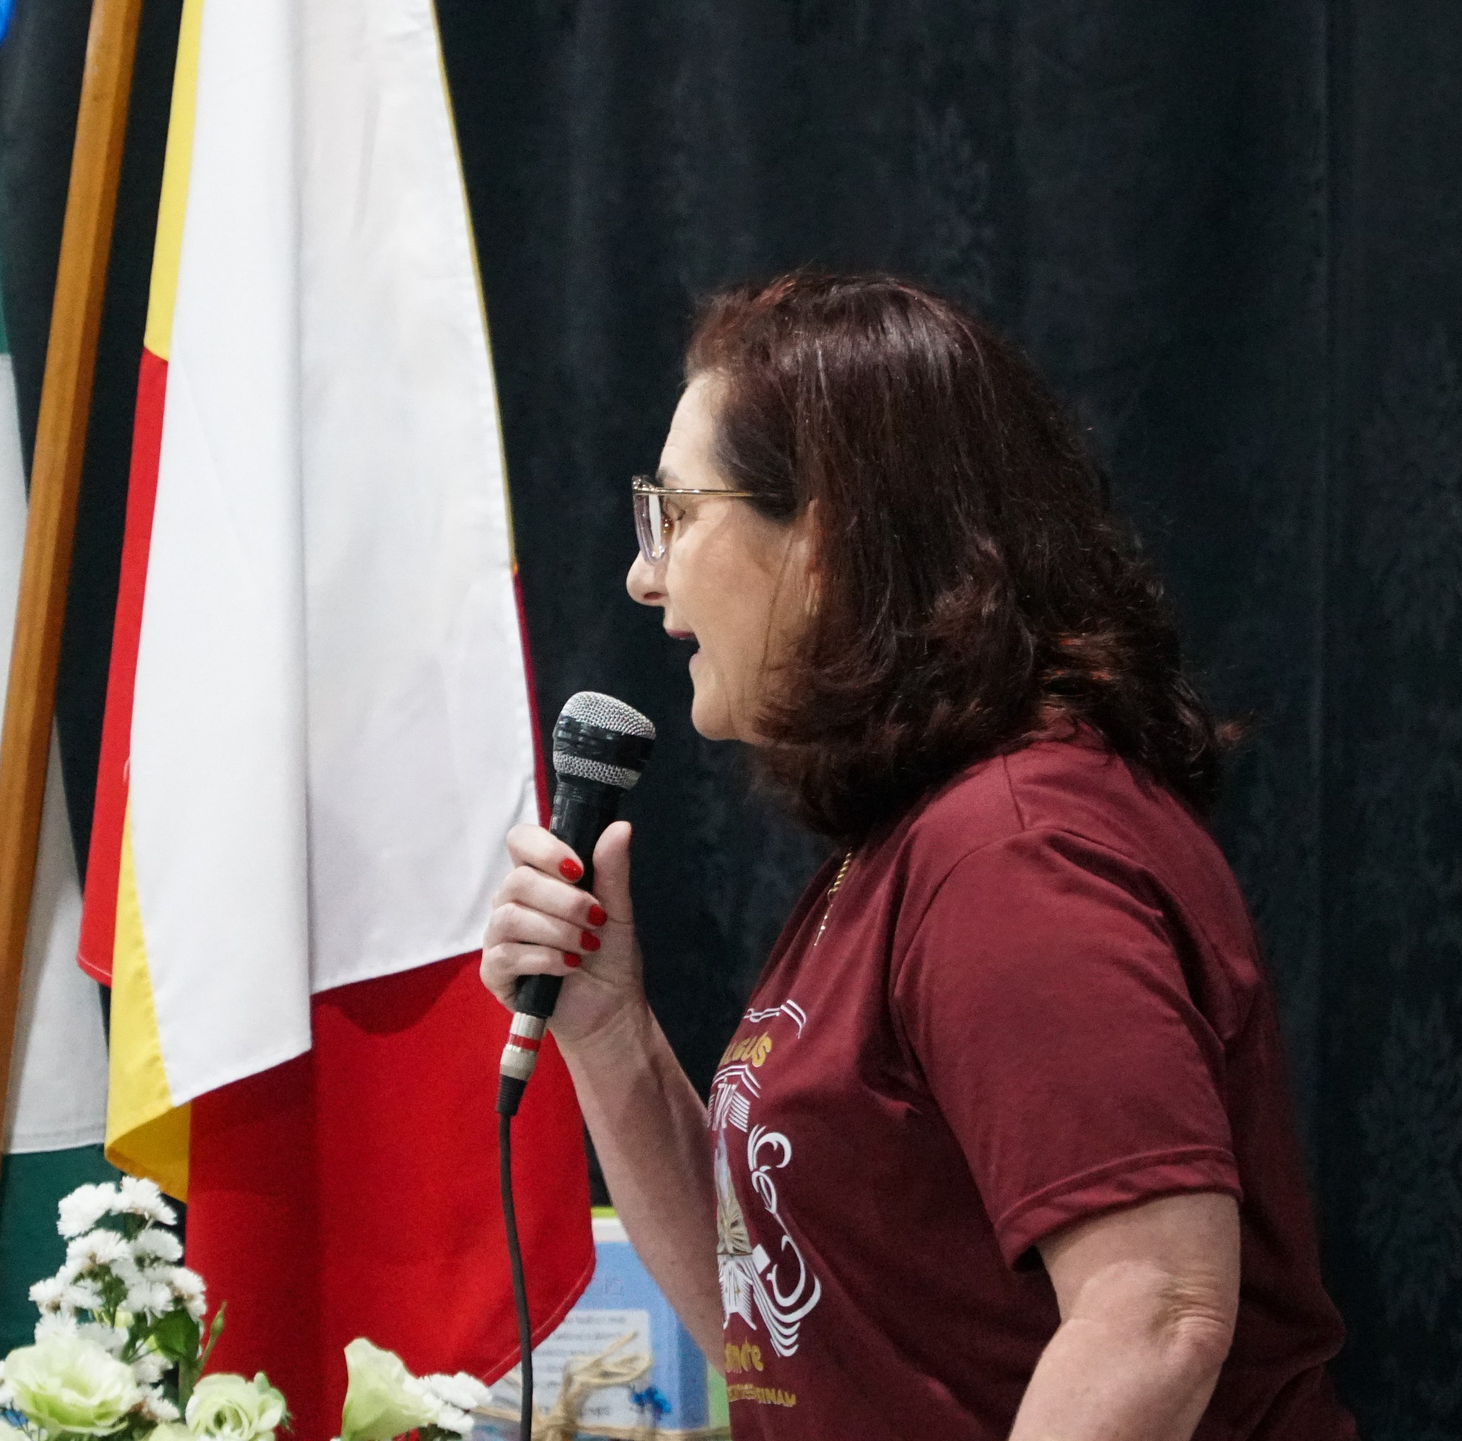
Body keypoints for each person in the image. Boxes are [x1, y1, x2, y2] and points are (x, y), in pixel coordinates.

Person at [480, 272, 1355, 1441]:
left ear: (827, 537)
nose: (645, 574)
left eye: (674, 514)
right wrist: (607, 1033)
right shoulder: (910, 840)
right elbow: (772, 1325)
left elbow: (1153, 1315)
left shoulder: (1014, 850)